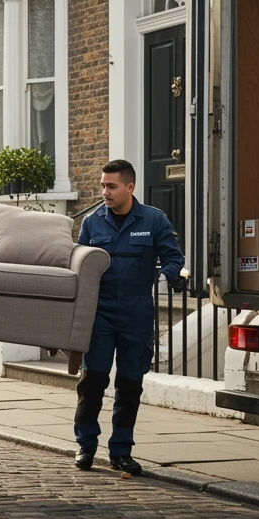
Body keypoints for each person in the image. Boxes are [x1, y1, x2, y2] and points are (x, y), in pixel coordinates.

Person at [74, 159, 185, 476]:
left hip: (136, 313)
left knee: (129, 385)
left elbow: (173, 256)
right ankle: (86, 446)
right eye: (102, 186)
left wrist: (175, 275)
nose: (105, 192)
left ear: (130, 187)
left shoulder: (154, 219)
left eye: (111, 186)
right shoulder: (92, 224)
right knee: (93, 382)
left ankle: (121, 451)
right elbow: (79, 267)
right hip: (100, 314)